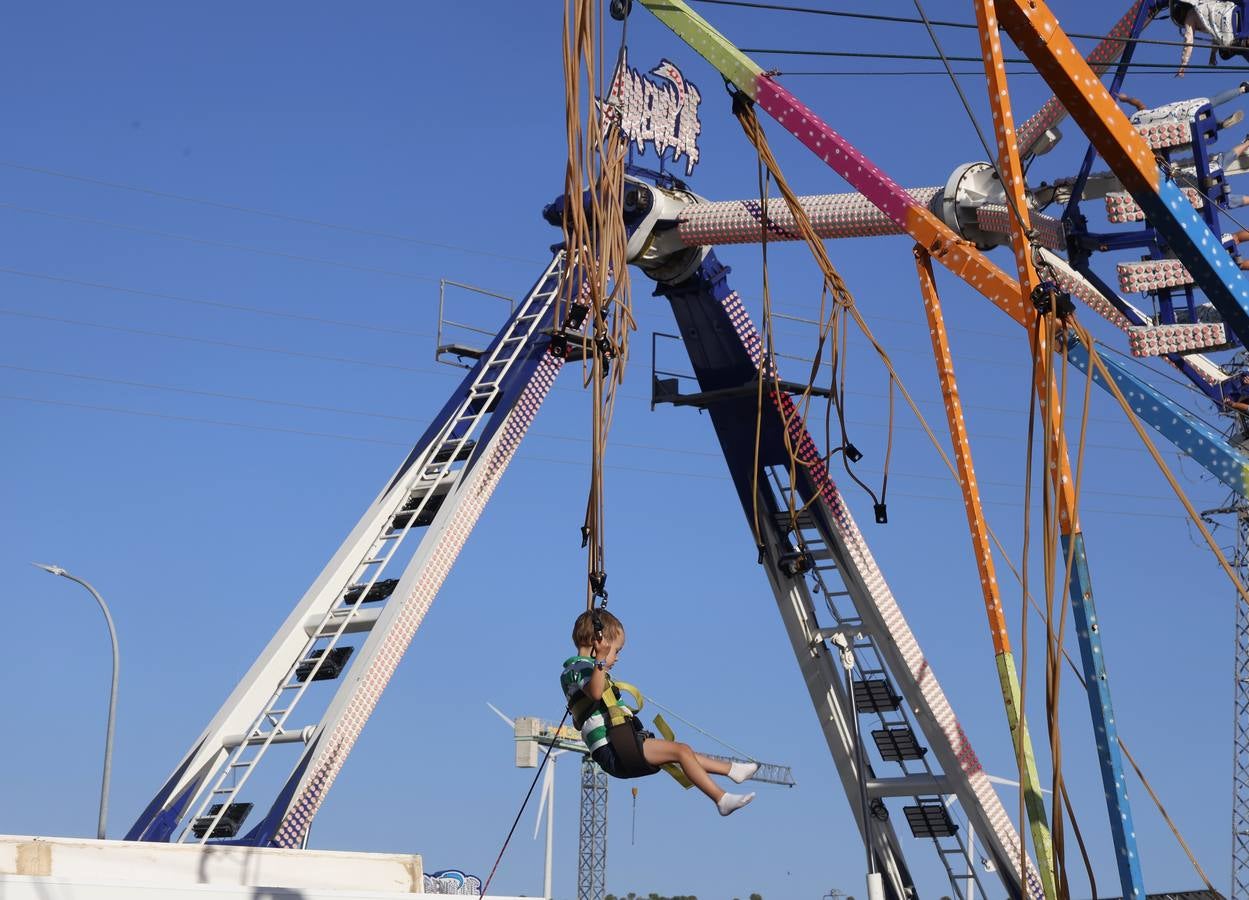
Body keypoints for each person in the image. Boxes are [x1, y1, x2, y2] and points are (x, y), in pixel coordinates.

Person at [560, 608, 758, 816]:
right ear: (598, 642)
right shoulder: (580, 668)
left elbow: (582, 715)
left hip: (620, 743)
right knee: (680, 751)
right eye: (616, 650)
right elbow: (596, 693)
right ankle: (722, 799)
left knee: (683, 752)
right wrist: (601, 660)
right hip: (612, 748)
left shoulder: (581, 670)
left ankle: (732, 770)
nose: (617, 658)